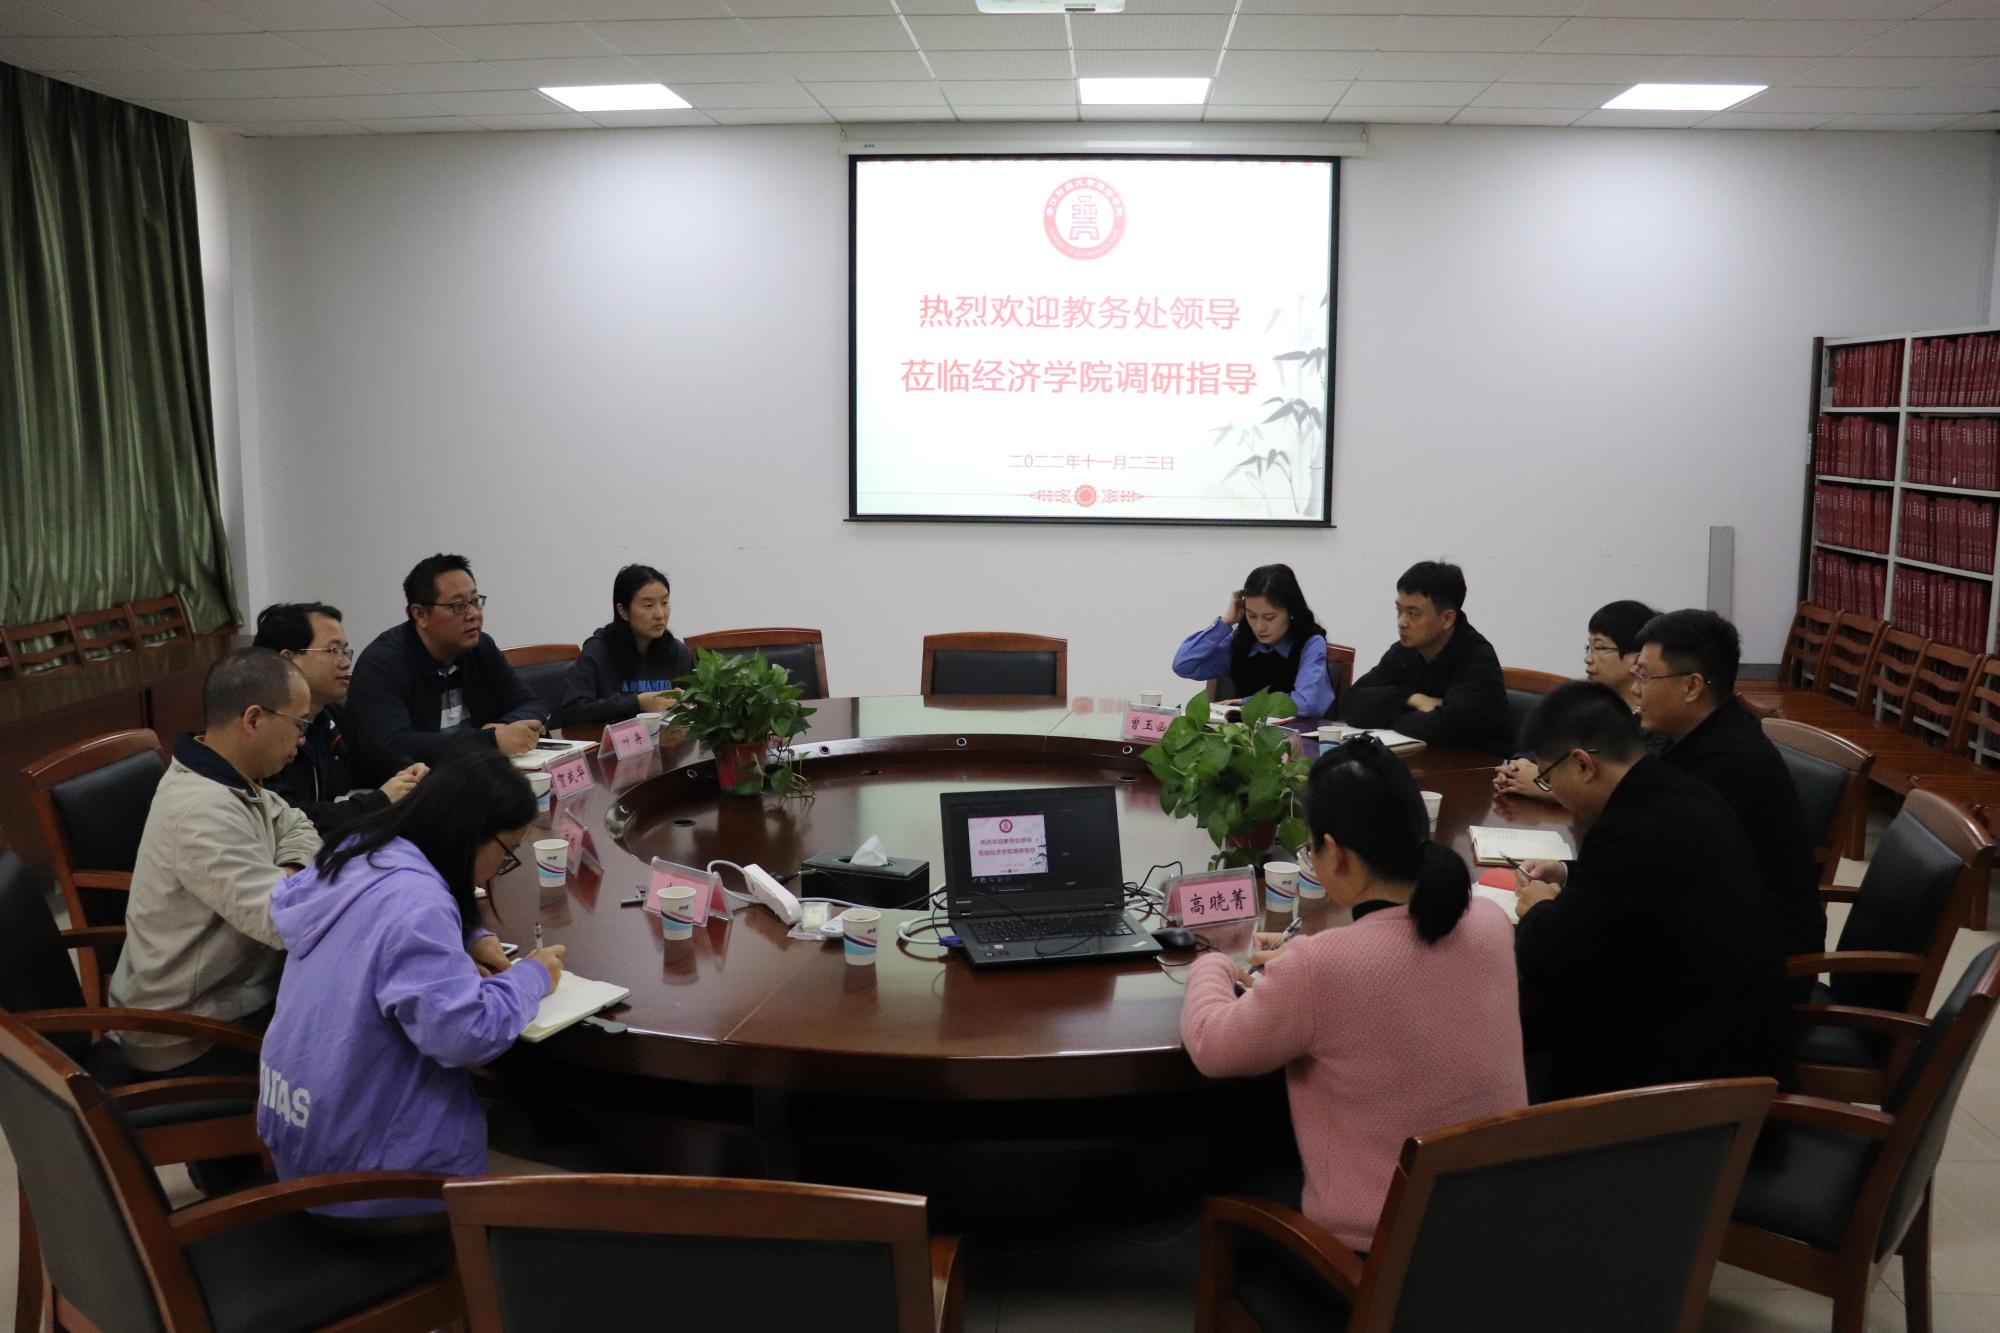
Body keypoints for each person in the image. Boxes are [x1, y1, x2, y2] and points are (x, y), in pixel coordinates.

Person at [1179, 735, 1525, 1254]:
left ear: (1335, 854)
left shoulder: (1319, 968)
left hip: (1375, 1256)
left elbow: (1211, 1045)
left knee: (1241, 1164)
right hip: (1492, 1228)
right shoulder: (1490, 921)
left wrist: (1214, 959)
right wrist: (1304, 968)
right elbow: (1391, 971)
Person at [254, 746, 566, 1222]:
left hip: (302, 1143)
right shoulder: (419, 906)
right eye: (507, 854)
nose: (499, 870)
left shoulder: (357, 850)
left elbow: (381, 922)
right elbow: (465, 1036)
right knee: (568, 1183)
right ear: (472, 834)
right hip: (372, 1186)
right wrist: (532, 977)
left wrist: (468, 936)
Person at [1511, 681, 1793, 1101]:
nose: (1554, 793)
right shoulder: (1680, 791)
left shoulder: (1627, 831)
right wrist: (1569, 874)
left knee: (1513, 1041)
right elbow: (1641, 883)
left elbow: (1545, 956)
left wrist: (1539, 908)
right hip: (1738, 1039)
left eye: (1549, 779)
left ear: (1583, 764)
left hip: (1693, 1086)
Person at [108, 649, 322, 1074]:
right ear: (254, 719)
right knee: (348, 1042)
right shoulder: (201, 809)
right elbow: (282, 921)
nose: (302, 739)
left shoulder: (231, 774)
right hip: (186, 1031)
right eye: (299, 724)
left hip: (231, 993)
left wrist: (291, 873)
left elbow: (299, 825)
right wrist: (294, 883)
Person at [1634, 609, 1824, 963]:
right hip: (1714, 923)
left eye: (1644, 676)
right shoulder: (1687, 734)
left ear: (1691, 687)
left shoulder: (1731, 761)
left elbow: (1654, 855)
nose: (1635, 689)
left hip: (1757, 960)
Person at [347, 553, 547, 777]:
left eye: (475, 601)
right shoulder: (382, 664)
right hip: (417, 788)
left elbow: (531, 703)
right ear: (420, 614)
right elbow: (393, 745)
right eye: (459, 606)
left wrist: (503, 729)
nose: (474, 614)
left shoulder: (480, 648)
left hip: (476, 778)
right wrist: (490, 740)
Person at [253, 601, 427, 834]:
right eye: (333, 651)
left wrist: (407, 769)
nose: (346, 663)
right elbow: (287, 816)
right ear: (288, 659)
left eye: (345, 651)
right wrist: (380, 800)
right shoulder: (260, 729)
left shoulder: (329, 715)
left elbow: (369, 758)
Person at [1493, 599, 1660, 799]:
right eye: (1588, 648)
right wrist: (1517, 769)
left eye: (1600, 648)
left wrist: (1547, 790)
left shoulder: (1656, 722)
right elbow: (1540, 747)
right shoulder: (1586, 703)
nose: (1588, 658)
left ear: (1637, 658)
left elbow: (1635, 792)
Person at [1339, 560, 1512, 752]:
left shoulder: (1478, 659)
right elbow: (1351, 703)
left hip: (1478, 764)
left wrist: (1386, 714)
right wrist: (1411, 698)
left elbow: (1446, 729)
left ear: (1447, 619)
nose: (1402, 622)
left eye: (1412, 613)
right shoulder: (1403, 652)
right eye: (1399, 610)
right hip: (1420, 759)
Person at [1171, 564, 1336, 717]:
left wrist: (1248, 703)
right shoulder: (1241, 641)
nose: (1259, 627)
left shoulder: (1309, 643)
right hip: (1242, 735)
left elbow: (1308, 704)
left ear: (1291, 611)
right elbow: (1183, 666)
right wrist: (1225, 622)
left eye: (1269, 618)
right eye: (1252, 616)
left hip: (1295, 736)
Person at [561, 564, 697, 725]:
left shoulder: (676, 651)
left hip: (665, 738)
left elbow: (701, 701)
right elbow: (573, 711)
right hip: (609, 740)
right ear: (623, 611)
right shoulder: (597, 652)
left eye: (665, 603)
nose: (660, 614)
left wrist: (688, 702)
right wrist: (638, 702)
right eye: (648, 605)